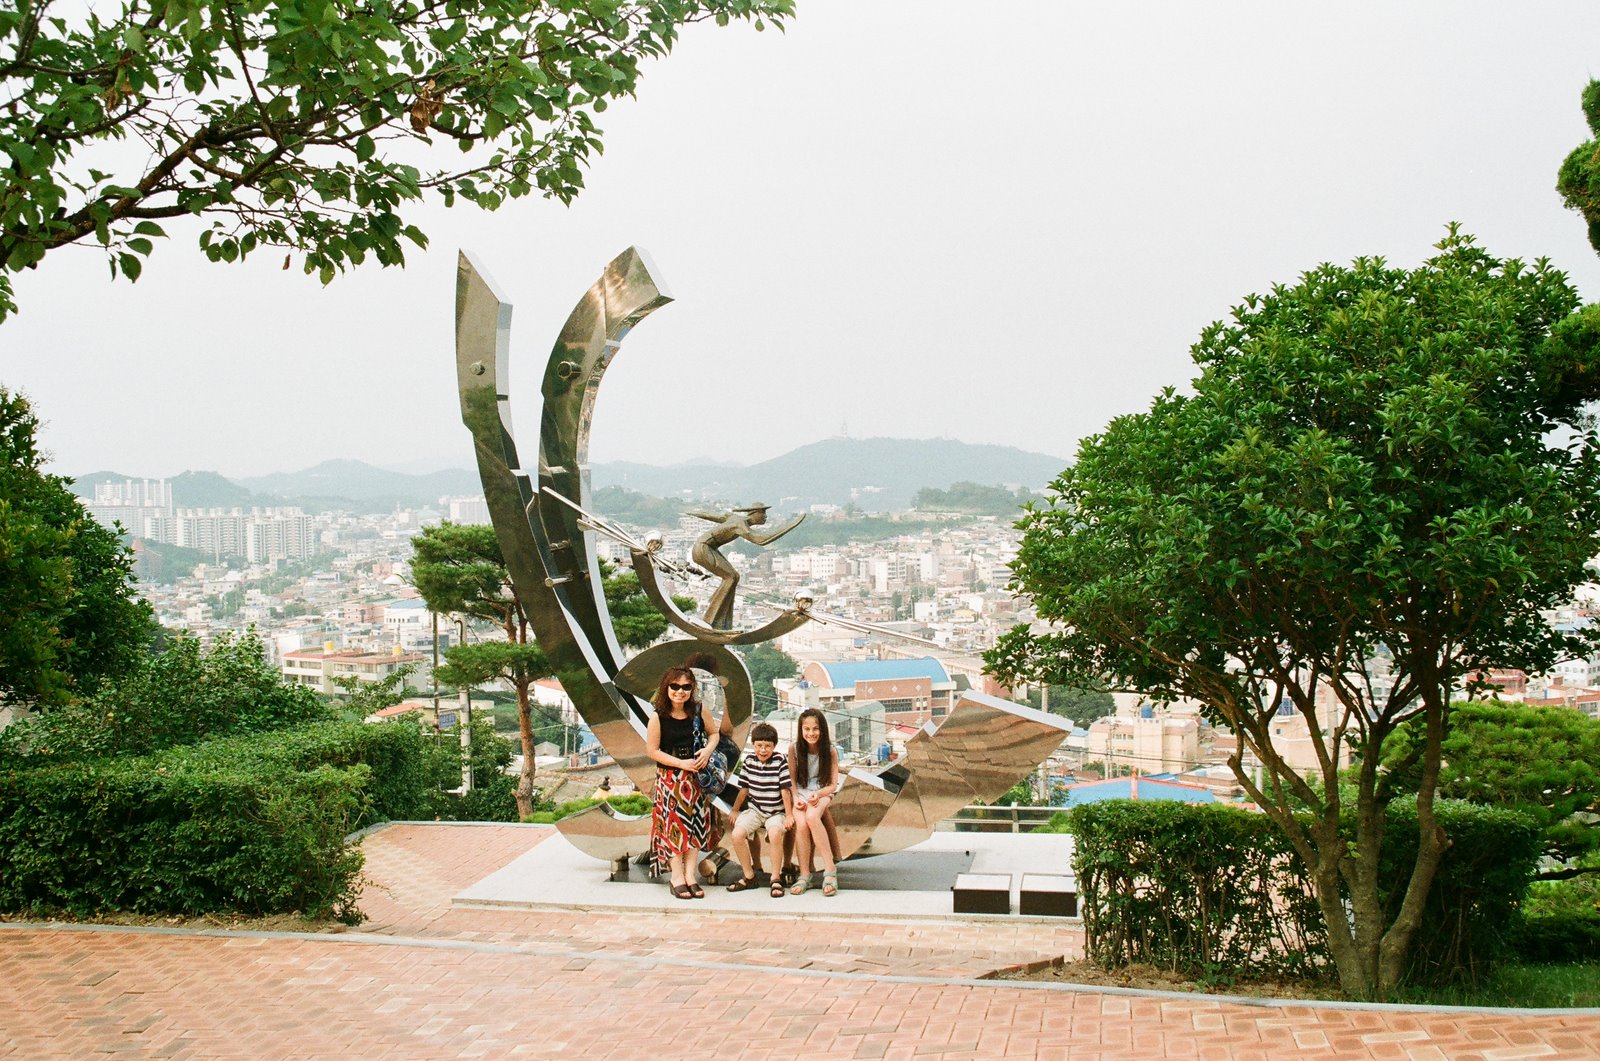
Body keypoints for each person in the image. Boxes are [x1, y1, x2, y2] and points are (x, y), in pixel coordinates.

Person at [645, 665, 722, 899]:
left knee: (695, 827)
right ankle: (676, 877)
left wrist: (707, 751)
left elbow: (714, 733)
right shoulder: (658, 717)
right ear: (666, 688)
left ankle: (691, 876)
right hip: (670, 780)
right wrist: (681, 764)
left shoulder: (699, 711)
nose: (680, 691)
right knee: (674, 829)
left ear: (692, 689)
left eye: (686, 687)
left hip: (696, 778)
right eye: (675, 686)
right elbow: (652, 751)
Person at [724, 721, 794, 897]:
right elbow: (744, 790)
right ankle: (749, 876)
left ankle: (775, 878)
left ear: (774, 746)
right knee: (737, 834)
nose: (763, 750)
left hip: (775, 811)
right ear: (753, 745)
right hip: (755, 810)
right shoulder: (748, 761)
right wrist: (735, 809)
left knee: (776, 833)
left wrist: (789, 814)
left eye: (767, 746)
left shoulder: (780, 761)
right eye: (759, 746)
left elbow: (785, 791)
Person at [789, 707, 841, 896]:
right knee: (801, 824)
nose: (811, 733)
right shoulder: (794, 749)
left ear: (823, 730)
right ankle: (805, 874)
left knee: (812, 817)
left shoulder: (830, 751)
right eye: (807, 729)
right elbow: (792, 780)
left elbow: (833, 784)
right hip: (800, 793)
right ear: (801, 730)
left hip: (822, 792)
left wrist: (818, 795)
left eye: (815, 729)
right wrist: (795, 798)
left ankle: (829, 869)